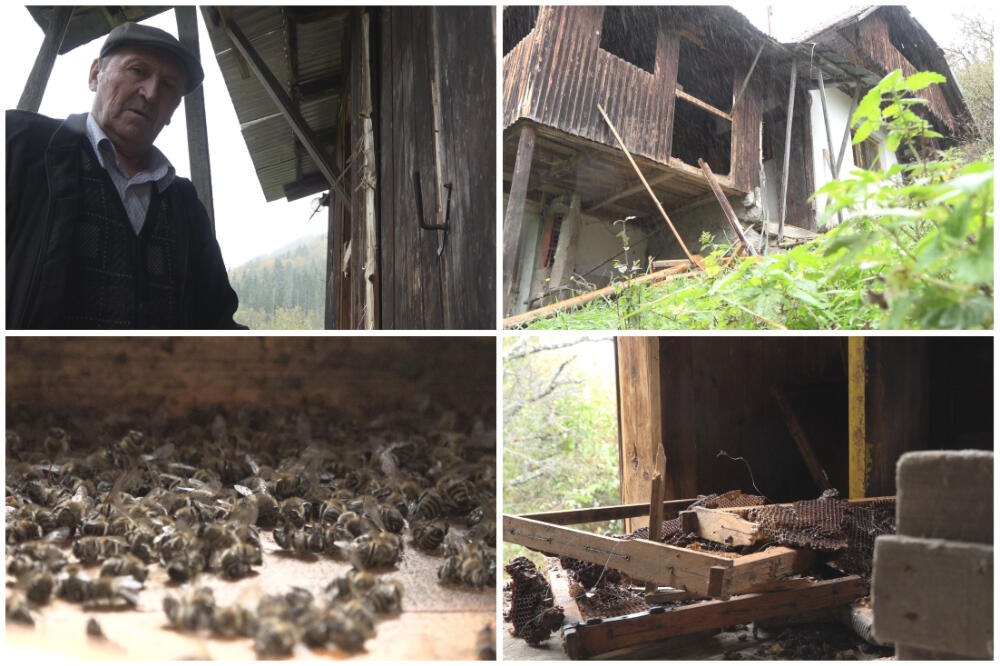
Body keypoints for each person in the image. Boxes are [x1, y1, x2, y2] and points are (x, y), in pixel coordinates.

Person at [7, 21, 246, 329]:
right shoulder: (19, 144)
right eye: (137, 70)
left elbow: (215, 320)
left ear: (173, 110)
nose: (150, 92)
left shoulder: (184, 204)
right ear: (95, 75)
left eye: (169, 85)